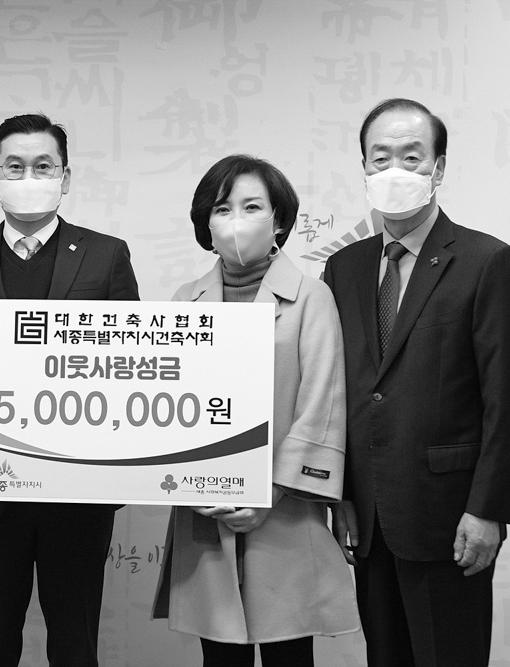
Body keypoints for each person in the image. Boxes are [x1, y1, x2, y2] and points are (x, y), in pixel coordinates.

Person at [323, 98, 510, 666]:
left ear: (438, 168)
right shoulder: (343, 268)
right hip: (368, 518)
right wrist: (341, 494)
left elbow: (509, 402)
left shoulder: (487, 261)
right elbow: (340, 391)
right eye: (380, 157)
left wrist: (488, 509)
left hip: (450, 518)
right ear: (364, 167)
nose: (394, 170)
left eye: (411, 157)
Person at [0, 113, 140, 667]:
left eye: (43, 166)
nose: (28, 177)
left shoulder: (106, 255)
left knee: (75, 643)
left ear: (65, 177)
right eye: (14, 166)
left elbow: (129, 365)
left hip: (79, 489)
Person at [151, 154, 360, 667]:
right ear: (206, 222)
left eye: (251, 207)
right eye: (223, 209)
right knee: (220, 657)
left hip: (284, 511)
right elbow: (168, 410)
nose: (236, 221)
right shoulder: (184, 302)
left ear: (279, 219)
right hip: (206, 516)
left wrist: (268, 494)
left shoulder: (312, 298)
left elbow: (322, 405)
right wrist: (193, 486)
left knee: (291, 654)